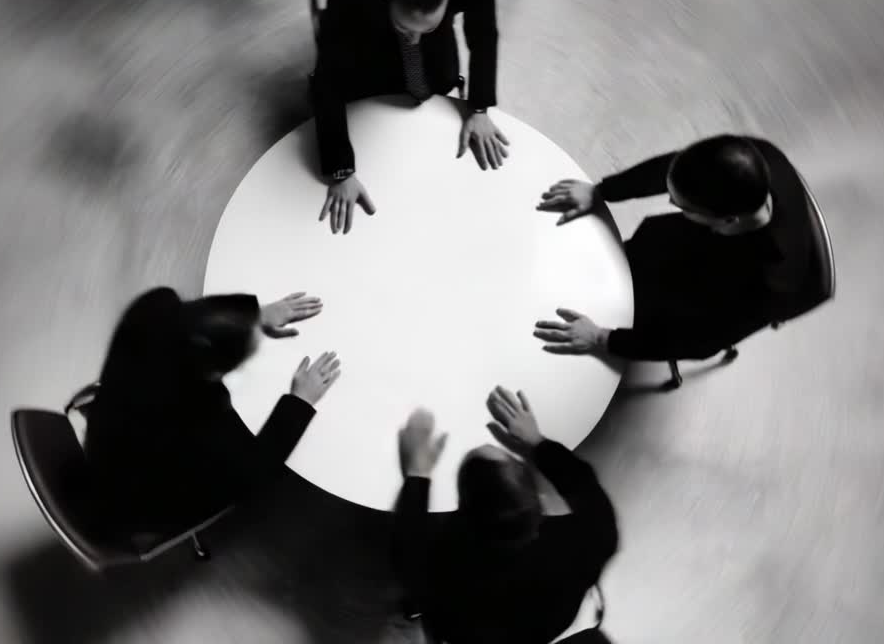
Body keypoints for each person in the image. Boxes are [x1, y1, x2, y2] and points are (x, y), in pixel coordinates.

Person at [83, 287, 342, 539]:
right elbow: (254, 474)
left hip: (106, 441)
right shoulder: (204, 426)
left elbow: (188, 316)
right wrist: (300, 399)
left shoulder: (151, 311)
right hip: (137, 505)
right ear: (213, 372)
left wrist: (253, 316)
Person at [532, 134, 815, 363]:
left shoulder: (770, 284)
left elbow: (698, 342)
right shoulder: (754, 156)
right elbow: (674, 170)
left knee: (635, 304)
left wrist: (600, 338)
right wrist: (600, 191)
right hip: (690, 246)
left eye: (681, 205)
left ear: (728, 219)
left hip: (699, 296)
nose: (670, 202)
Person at [393, 386, 619, 644]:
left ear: (463, 506)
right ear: (535, 497)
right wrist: (537, 443)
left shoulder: (441, 565)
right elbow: (586, 487)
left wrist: (417, 475)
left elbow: (406, 550)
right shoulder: (588, 541)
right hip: (543, 630)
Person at [312, 0, 510, 235]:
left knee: (441, 76)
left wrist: (479, 107)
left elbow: (483, 37)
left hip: (435, 66)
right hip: (370, 48)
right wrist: (342, 170)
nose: (414, 39)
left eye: (425, 28)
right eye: (406, 28)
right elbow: (327, 79)